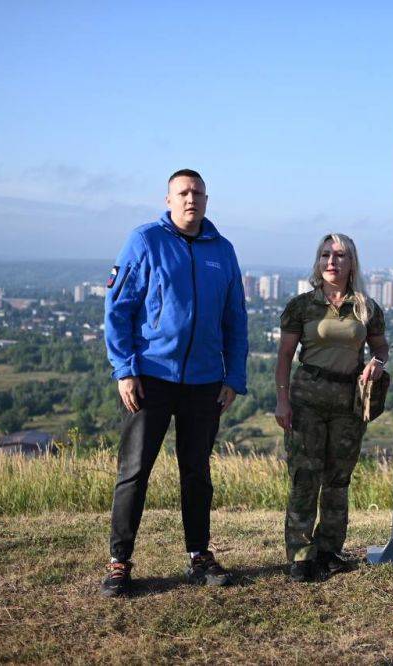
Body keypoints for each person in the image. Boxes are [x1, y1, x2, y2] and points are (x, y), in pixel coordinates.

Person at [100, 168, 249, 597]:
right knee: (134, 471)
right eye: (183, 193)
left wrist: (233, 378)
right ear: (168, 199)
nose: (191, 199)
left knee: (197, 473)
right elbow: (118, 309)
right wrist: (124, 370)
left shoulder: (222, 250)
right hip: (151, 377)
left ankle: (199, 556)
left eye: (198, 193)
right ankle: (119, 562)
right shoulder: (145, 241)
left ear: (206, 199)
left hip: (205, 381)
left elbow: (235, 319)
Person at [274, 233, 389, 582]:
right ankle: (300, 554)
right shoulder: (301, 305)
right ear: (318, 261)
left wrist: (377, 364)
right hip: (307, 399)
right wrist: (281, 399)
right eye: (326, 255)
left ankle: (329, 550)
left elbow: (381, 349)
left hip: (348, 402)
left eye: (340, 255)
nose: (332, 262)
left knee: (338, 480)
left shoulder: (366, 307)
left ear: (352, 262)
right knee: (304, 478)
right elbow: (283, 358)